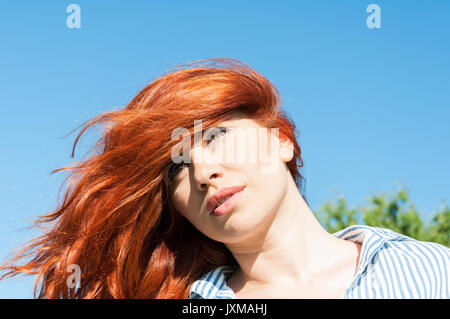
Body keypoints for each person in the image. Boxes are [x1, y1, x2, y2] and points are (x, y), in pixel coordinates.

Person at [0, 58, 448, 299]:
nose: (202, 173)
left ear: (282, 141)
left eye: (216, 137)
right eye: (176, 168)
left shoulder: (428, 272)